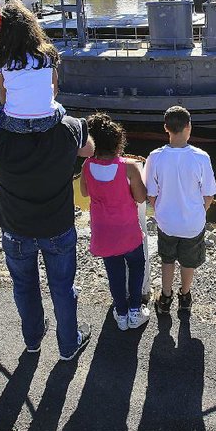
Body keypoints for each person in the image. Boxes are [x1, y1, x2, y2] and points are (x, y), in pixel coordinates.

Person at [0, 76, 96, 361]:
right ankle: (68, 345)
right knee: (63, 288)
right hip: (58, 227)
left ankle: (33, 340)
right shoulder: (70, 128)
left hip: (15, 228)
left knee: (25, 286)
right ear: (50, 88)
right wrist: (52, 107)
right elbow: (88, 149)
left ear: (8, 92)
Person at [79, 113, 151, 332]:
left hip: (103, 232)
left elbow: (84, 192)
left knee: (114, 271)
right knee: (137, 266)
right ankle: (135, 311)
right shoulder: (129, 166)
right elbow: (140, 198)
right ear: (118, 140)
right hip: (128, 230)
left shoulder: (86, 166)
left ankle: (120, 313)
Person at [145, 106, 216, 315]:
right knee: (188, 262)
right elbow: (209, 194)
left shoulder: (154, 157)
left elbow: (152, 194)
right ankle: (185, 296)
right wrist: (199, 212)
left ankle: (165, 297)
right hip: (192, 224)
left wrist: (160, 210)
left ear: (165, 128)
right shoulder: (201, 157)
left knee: (167, 259)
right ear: (189, 127)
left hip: (166, 221)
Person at [0, 0, 66, 134]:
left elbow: (3, 94)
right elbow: (54, 88)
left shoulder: (2, 59)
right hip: (48, 121)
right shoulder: (48, 54)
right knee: (61, 109)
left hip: (15, 123)